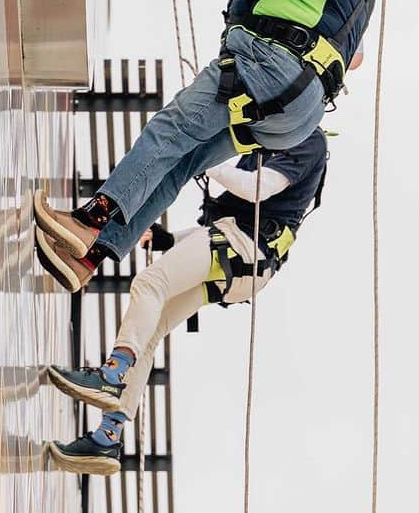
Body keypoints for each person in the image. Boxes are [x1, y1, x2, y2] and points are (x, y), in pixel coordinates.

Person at [32, 0, 372, 288]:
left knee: (171, 131)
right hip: (298, 111)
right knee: (181, 162)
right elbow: (354, 57)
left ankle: (89, 220)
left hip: (265, 67)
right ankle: (91, 257)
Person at [44, 129, 329, 475]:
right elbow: (239, 218)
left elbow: (258, 190)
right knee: (149, 334)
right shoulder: (268, 140)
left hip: (240, 247)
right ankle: (108, 437)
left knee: (149, 285)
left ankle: (113, 373)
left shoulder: (308, 139)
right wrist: (170, 239)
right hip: (243, 260)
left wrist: (206, 158)